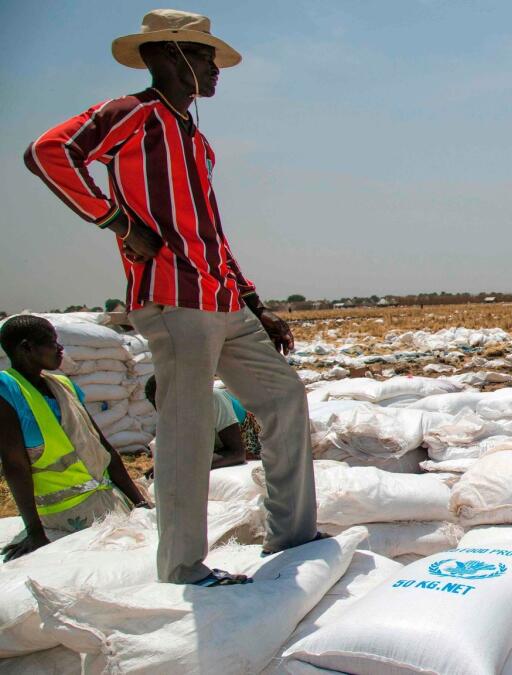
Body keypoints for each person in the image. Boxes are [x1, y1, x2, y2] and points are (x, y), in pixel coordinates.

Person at [24, 9, 317, 585]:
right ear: (168, 55)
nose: (214, 69)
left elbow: (210, 228)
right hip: (174, 296)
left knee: (284, 399)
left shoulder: (193, 136)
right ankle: (184, 567)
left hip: (223, 298)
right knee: (186, 430)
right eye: (205, 56)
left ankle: (293, 534)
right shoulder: (133, 114)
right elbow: (48, 153)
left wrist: (255, 302)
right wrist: (116, 220)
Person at [0, 316, 148, 561]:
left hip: (107, 499)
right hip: (66, 513)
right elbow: (15, 465)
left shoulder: (63, 385)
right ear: (26, 348)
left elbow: (101, 446)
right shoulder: (7, 389)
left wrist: (139, 502)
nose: (60, 349)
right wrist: (34, 531)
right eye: (51, 343)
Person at [144, 375, 259, 469]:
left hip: (254, 446)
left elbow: (237, 453)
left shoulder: (211, 399)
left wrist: (185, 466)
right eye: (157, 404)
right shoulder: (170, 416)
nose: (164, 410)